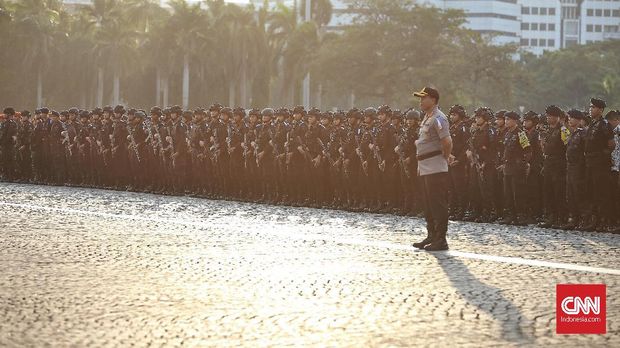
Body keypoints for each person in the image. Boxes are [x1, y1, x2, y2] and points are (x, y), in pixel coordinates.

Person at [411, 87, 452, 251]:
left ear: (433, 99)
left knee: (437, 204)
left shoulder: (439, 118)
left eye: (424, 98)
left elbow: (447, 142)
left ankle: (441, 239)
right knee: (428, 205)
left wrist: (445, 157)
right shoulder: (427, 117)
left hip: (435, 166)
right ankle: (432, 236)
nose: (421, 101)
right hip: (425, 167)